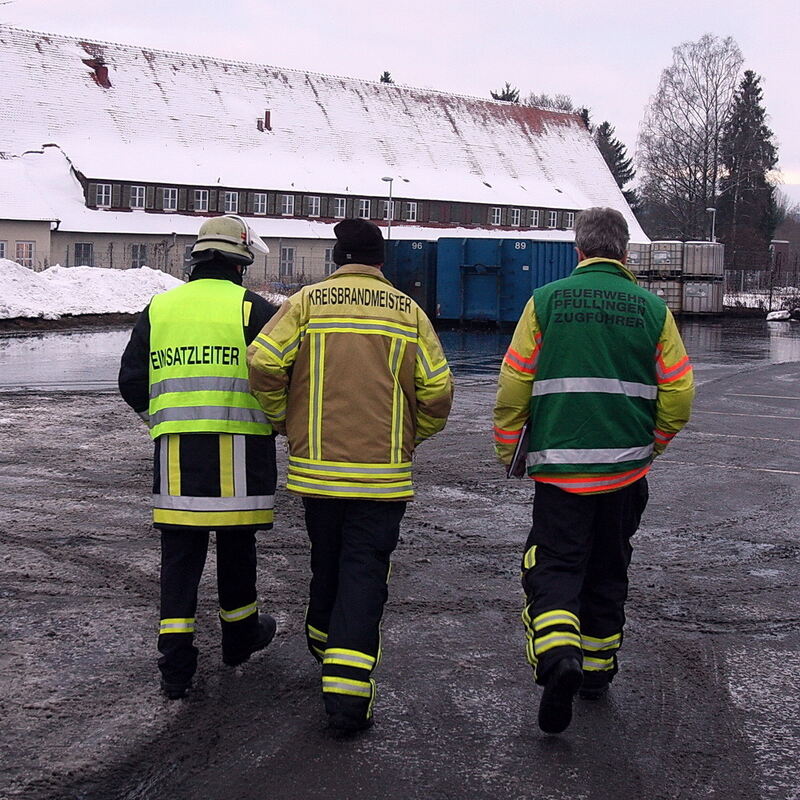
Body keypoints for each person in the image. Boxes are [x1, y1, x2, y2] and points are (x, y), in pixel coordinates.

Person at [247, 218, 453, 733]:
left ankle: (323, 640)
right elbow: (437, 392)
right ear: (381, 262)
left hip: (317, 472)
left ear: (338, 258)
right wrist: (409, 436)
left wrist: (283, 419)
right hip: (382, 478)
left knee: (328, 560)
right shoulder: (409, 312)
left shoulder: (307, 303)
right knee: (363, 570)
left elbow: (263, 361)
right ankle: (346, 690)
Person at [493, 207, 694, 734]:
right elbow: (679, 391)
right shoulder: (654, 310)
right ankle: (597, 673)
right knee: (609, 566)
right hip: (626, 472)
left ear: (578, 251)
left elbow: (514, 383)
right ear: (625, 254)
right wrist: (652, 445)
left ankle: (560, 655)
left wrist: (509, 447)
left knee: (556, 563)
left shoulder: (546, 302)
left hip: (560, 469)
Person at [119, 215, 280, 700]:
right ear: (241, 261)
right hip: (241, 454)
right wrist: (273, 421)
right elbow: (281, 377)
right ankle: (239, 639)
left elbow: (131, 381)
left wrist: (164, 420)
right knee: (237, 550)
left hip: (176, 457)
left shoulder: (160, 307)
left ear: (196, 258)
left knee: (180, 559)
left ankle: (175, 666)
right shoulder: (254, 310)